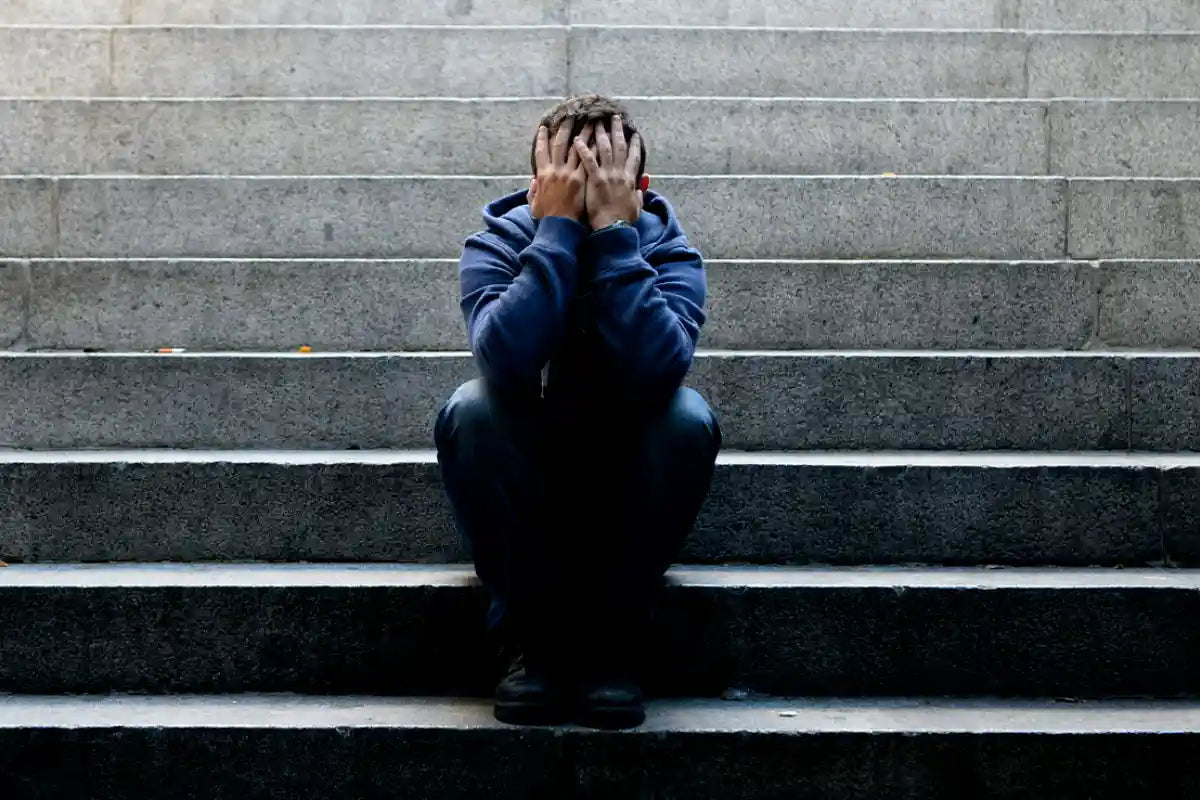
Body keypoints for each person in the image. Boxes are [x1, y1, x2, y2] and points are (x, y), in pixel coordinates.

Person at [434, 95, 721, 730]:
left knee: (688, 417)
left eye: (605, 184)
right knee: (471, 409)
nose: (589, 198)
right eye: (570, 182)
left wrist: (616, 237)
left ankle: (615, 643)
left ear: (638, 187)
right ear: (538, 185)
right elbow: (505, 361)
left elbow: (659, 369)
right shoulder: (499, 242)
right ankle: (528, 640)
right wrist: (556, 231)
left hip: (624, 489)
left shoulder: (669, 252)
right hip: (527, 493)